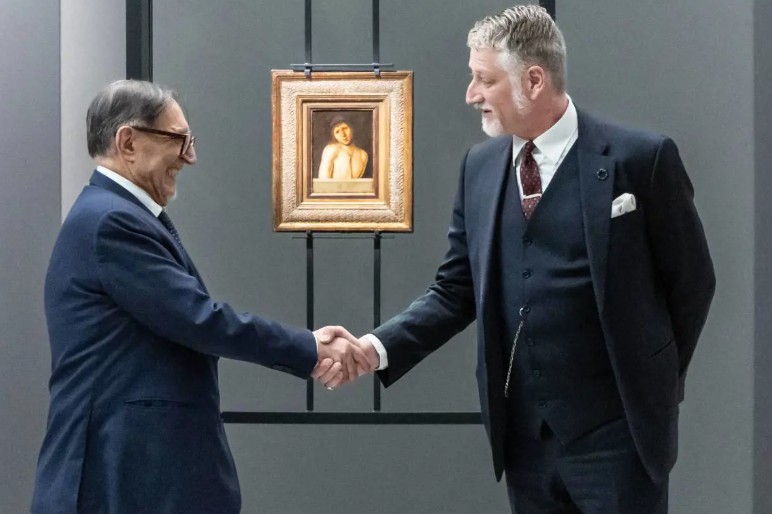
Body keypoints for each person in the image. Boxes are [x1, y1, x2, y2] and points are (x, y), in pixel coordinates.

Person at [349, 5, 715, 513]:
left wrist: (656, 378)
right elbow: (454, 290)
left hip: (619, 441)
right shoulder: (479, 168)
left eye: (485, 80)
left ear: (534, 80)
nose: (471, 94)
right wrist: (375, 347)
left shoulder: (640, 159)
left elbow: (693, 283)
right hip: (526, 444)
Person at [30, 80, 370, 514]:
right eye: (178, 140)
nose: (189, 157)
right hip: (119, 475)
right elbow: (199, 319)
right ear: (128, 142)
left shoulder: (115, 215)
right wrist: (308, 347)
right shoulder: (111, 222)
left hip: (136, 472)